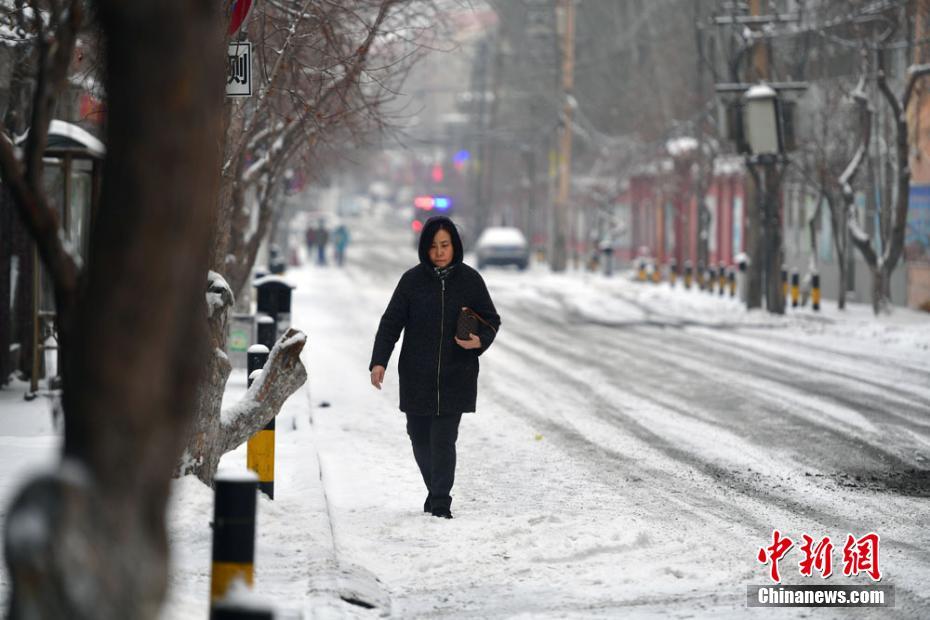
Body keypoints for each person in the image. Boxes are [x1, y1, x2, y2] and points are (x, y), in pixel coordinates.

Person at [369, 216, 501, 519]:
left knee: (443, 438)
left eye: (445, 245)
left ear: (455, 245)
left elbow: (491, 320)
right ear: (424, 249)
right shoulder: (411, 281)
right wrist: (379, 361)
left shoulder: (470, 280)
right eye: (433, 247)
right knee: (418, 435)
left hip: (457, 373)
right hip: (416, 374)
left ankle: (441, 501)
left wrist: (478, 341)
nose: (440, 252)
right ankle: (435, 489)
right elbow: (391, 323)